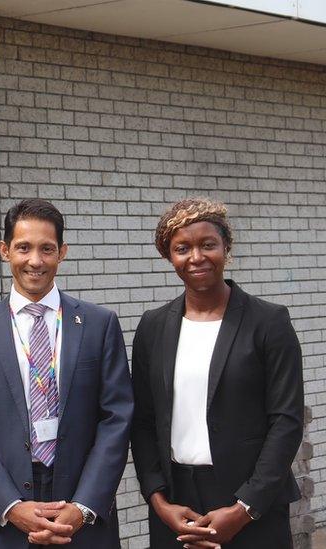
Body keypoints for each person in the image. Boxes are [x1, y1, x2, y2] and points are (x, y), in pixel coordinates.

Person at [0, 198, 134, 548]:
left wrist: (83, 506)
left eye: (47, 249)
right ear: (5, 251)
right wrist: (10, 505)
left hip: (82, 510)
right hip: (3, 516)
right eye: (23, 248)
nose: (35, 260)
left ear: (62, 252)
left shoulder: (99, 324)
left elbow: (116, 419)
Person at [130, 198, 303, 549]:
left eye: (208, 244)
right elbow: (144, 421)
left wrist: (244, 508)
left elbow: (286, 421)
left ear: (226, 247)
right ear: (169, 256)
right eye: (182, 248)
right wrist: (159, 502)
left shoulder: (268, 322)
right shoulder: (153, 327)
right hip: (177, 505)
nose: (196, 257)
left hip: (252, 504)